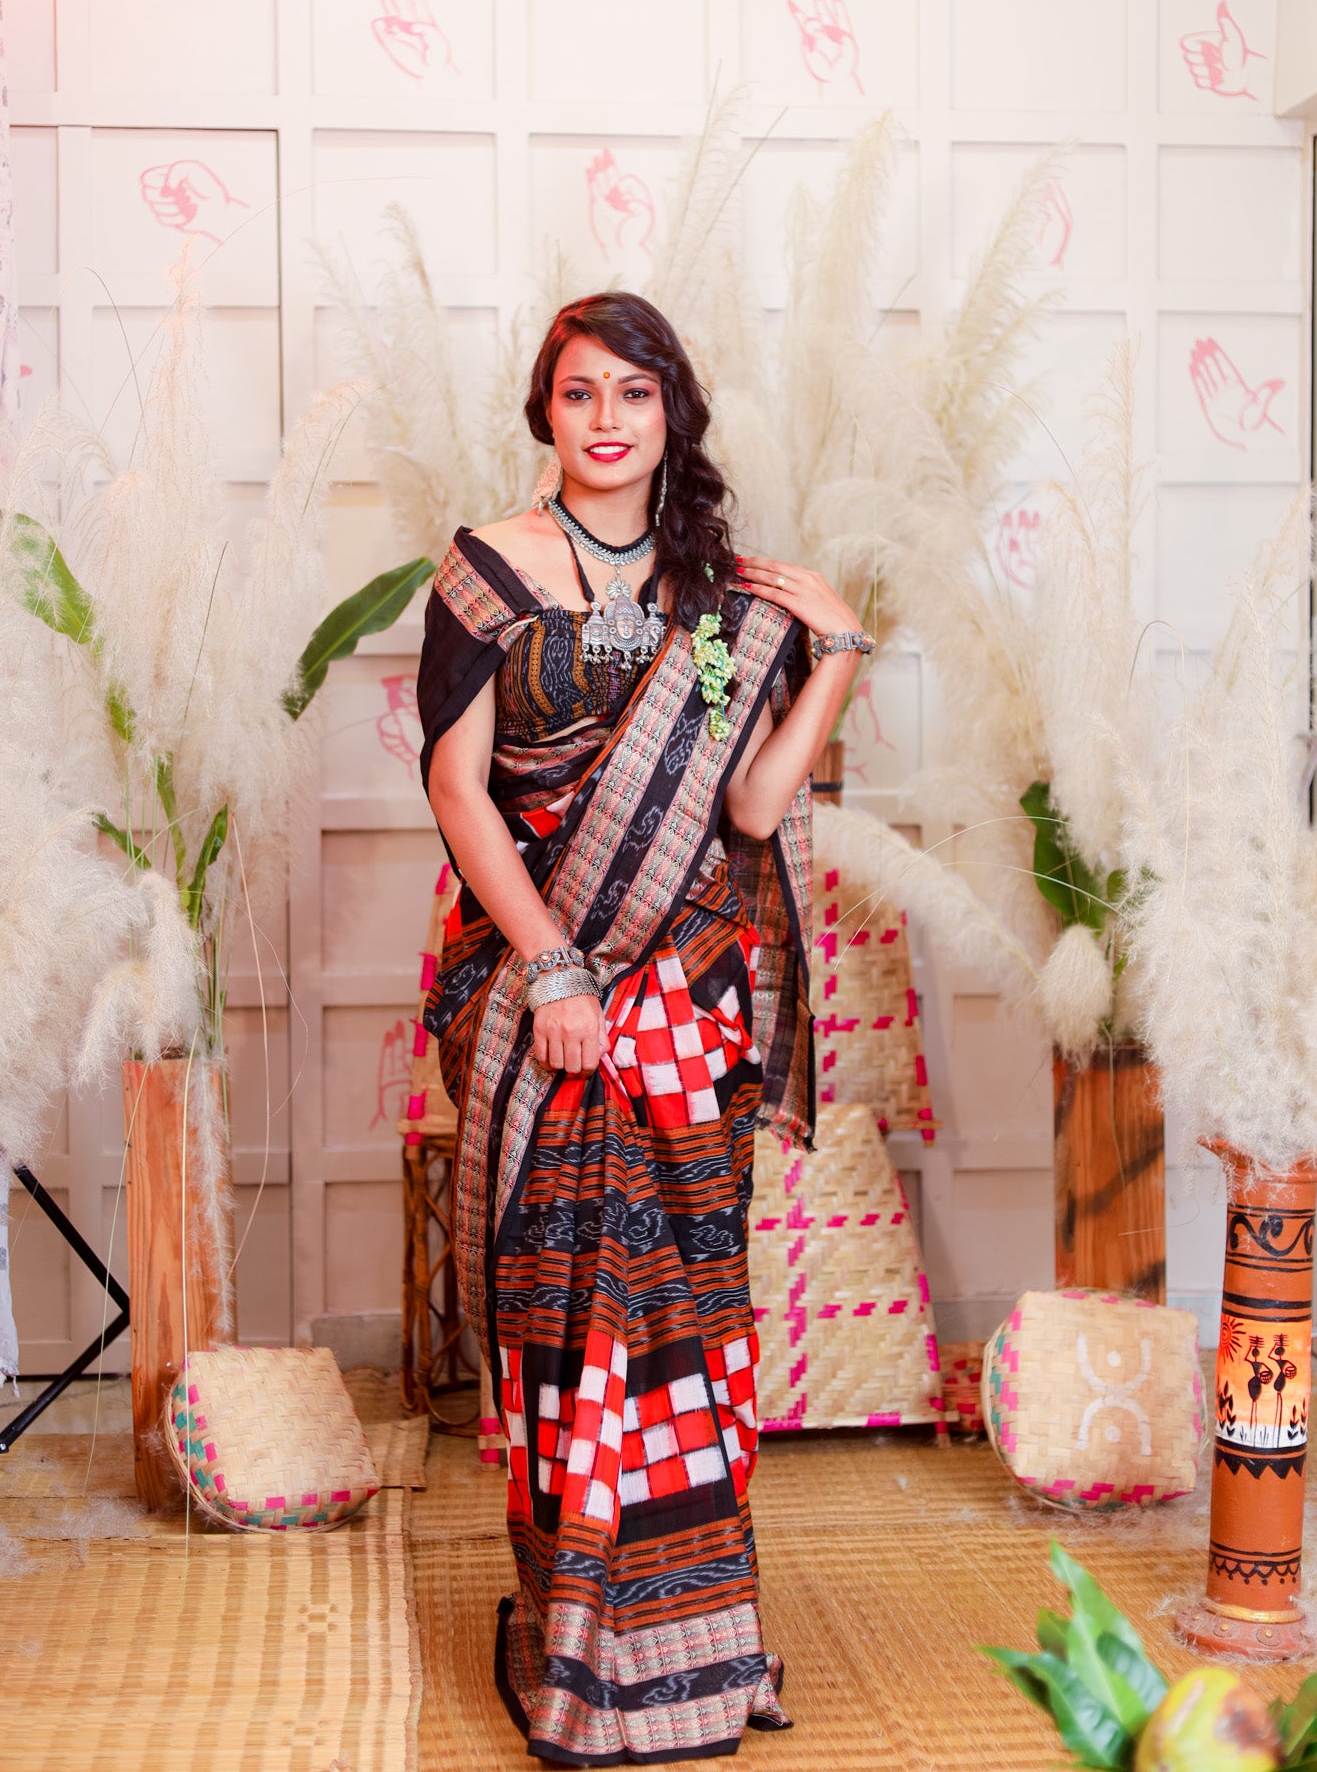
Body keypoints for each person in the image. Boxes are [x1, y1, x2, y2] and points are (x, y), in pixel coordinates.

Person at [417, 291, 873, 1764]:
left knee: (684, 1321)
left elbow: (746, 807)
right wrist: (552, 969)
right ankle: (574, 1635)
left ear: (673, 412)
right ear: (542, 415)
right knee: (566, 1322)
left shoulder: (721, 608)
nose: (606, 420)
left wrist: (841, 654)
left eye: (634, 392)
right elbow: (456, 789)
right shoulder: (486, 575)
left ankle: (687, 1640)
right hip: (537, 986)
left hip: (686, 1012)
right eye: (577, 394)